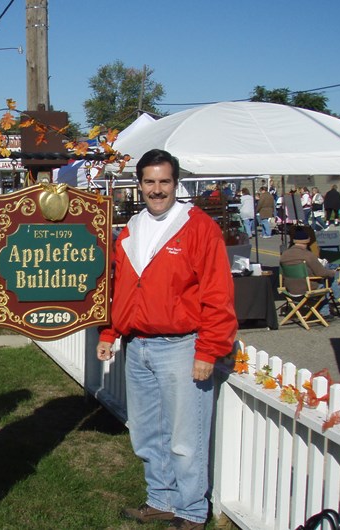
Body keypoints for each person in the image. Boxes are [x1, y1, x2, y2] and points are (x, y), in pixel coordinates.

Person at [96, 149, 236, 530]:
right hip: (138, 345)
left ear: (176, 183)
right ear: (139, 184)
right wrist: (111, 331)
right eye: (150, 182)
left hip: (181, 346)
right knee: (146, 433)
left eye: (164, 181)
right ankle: (161, 498)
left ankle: (191, 510)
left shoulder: (198, 227)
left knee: (185, 437)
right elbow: (122, 286)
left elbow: (218, 294)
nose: (157, 189)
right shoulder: (133, 228)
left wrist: (208, 349)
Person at [280, 227, 340, 317]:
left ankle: (338, 293)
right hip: (306, 288)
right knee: (326, 280)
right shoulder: (308, 255)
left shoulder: (284, 255)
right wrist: (332, 272)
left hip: (289, 289)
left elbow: (282, 273)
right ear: (307, 241)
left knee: (321, 277)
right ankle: (326, 311)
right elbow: (321, 273)